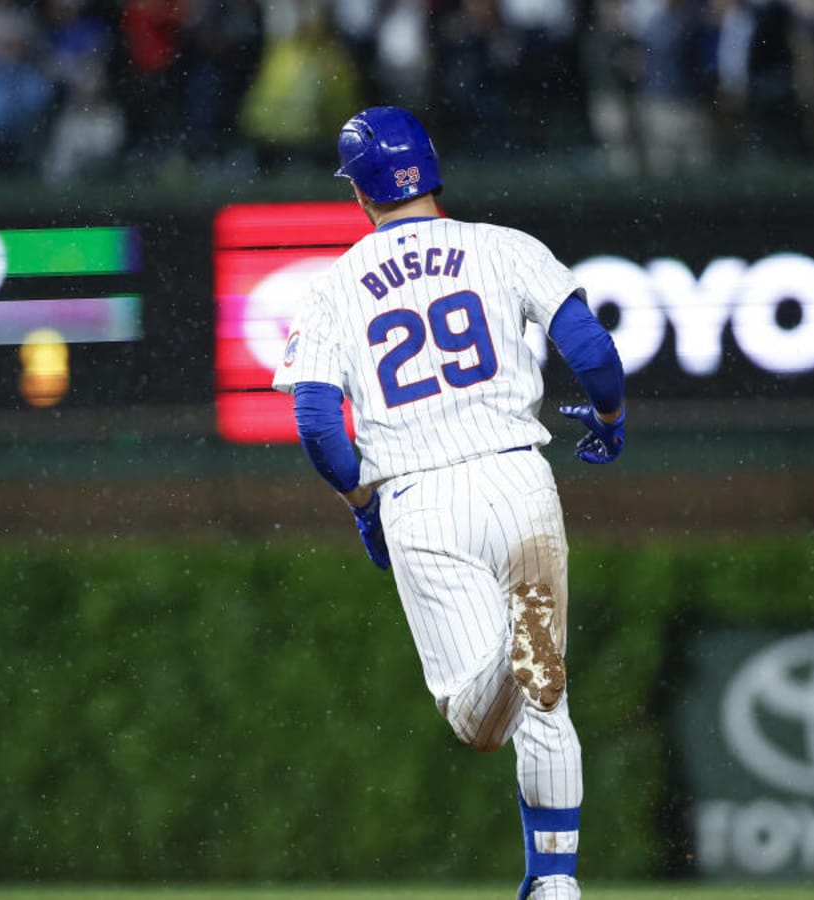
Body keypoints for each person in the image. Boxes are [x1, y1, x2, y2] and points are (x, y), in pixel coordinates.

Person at [273, 106, 626, 900]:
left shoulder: (333, 289)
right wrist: (609, 417)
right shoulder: (504, 247)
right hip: (518, 477)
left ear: (358, 195)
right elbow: (593, 352)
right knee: (547, 696)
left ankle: (550, 882)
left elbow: (317, 424)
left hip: (420, 497)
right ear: (433, 170)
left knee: (480, 721)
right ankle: (557, 882)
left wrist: (361, 503)